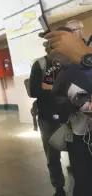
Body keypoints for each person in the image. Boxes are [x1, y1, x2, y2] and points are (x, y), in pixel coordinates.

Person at [44, 29, 92, 196]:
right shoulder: (65, 72)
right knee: (83, 182)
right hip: (79, 138)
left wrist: (85, 59)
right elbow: (57, 97)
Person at [28, 53, 65, 196]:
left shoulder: (72, 60)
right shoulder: (41, 64)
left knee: (78, 150)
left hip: (72, 115)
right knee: (52, 154)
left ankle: (77, 176)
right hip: (48, 116)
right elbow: (33, 91)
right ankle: (59, 186)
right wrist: (56, 87)